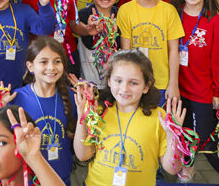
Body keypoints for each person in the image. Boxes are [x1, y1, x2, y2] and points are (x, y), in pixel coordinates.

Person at [74, 50, 186, 186]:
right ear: (109, 81)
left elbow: (172, 169)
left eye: (133, 83)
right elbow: (83, 155)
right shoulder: (98, 111)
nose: (124, 88)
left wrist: (172, 136)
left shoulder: (159, 117)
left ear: (146, 86)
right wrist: (82, 118)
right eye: (118, 80)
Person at [1, 36, 77, 185]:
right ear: (30, 66)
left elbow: (76, 136)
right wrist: (1, 108)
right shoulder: (17, 98)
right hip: (28, 179)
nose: (51, 67)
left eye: (57, 61)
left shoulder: (72, 96)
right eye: (43, 62)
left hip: (61, 178)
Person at [169, 0, 219, 171]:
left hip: (203, 94)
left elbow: (217, 60)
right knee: (179, 138)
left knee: (201, 140)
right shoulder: (172, 14)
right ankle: (184, 174)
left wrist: (217, 91)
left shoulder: (215, 20)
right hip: (176, 91)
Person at [117, 0, 184, 102]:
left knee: (159, 123)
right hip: (134, 81)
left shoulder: (169, 11)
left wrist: (173, 84)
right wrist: (126, 82)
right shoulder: (125, 10)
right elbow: (125, 50)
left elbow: (173, 50)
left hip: (161, 82)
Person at [77, 0, 122, 86]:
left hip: (113, 82)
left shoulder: (120, 15)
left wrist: (113, 33)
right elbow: (88, 44)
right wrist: (90, 30)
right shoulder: (83, 14)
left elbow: (121, 47)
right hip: (88, 80)